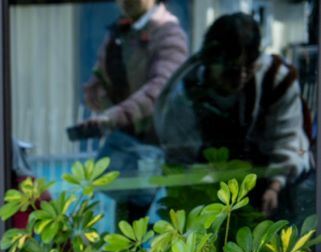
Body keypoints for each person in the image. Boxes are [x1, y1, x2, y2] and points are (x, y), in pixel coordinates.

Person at [156, 12, 314, 220]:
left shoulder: (276, 80)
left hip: (276, 181)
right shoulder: (186, 92)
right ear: (209, 61)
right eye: (231, 70)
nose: (240, 78)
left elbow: (288, 140)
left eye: (248, 69)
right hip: (208, 186)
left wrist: (274, 186)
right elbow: (177, 157)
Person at [76, 0, 189, 222]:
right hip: (132, 148)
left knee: (176, 225)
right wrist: (97, 95)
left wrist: (115, 115)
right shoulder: (120, 32)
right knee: (128, 228)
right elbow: (101, 78)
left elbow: (160, 89)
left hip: (168, 149)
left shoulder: (168, 33)